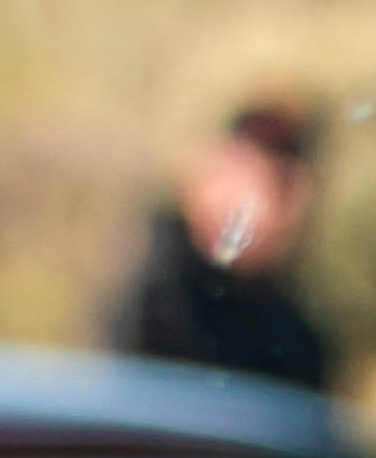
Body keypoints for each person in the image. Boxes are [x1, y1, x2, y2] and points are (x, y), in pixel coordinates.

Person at [108, 100, 337, 396]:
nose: (265, 207)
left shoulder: (299, 338)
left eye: (282, 186)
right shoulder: (153, 302)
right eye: (253, 179)